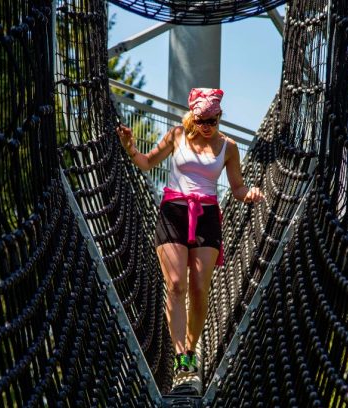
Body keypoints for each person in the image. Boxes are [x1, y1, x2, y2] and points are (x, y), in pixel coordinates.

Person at [116, 88, 263, 376]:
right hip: (173, 211)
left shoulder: (228, 147)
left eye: (213, 121)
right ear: (192, 118)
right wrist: (129, 146)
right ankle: (181, 353)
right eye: (202, 121)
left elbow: (237, 187)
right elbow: (147, 163)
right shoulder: (176, 136)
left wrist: (249, 194)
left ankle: (192, 348)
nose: (207, 127)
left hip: (206, 215)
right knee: (175, 284)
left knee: (198, 288)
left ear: (220, 118)